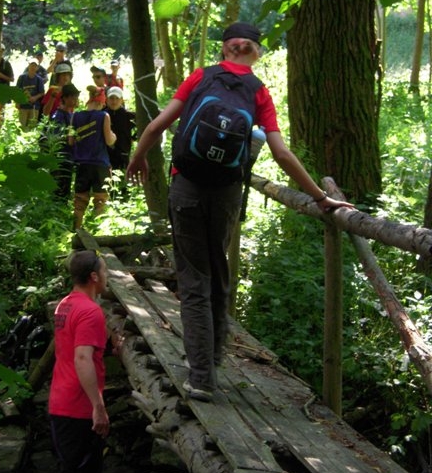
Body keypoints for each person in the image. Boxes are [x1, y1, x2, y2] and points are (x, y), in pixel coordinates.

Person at [126, 21, 355, 403]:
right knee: (218, 270)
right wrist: (320, 197)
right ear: (255, 53)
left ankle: (201, 377)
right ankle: (212, 358)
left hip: (186, 187)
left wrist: (138, 158)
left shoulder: (201, 77)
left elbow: (157, 126)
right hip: (227, 193)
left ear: (224, 49)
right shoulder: (259, 91)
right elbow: (281, 153)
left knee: (194, 279)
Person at [49, 249, 110, 473]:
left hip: (60, 402)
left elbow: (74, 347)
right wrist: (98, 406)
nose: (107, 276)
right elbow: (82, 357)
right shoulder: (90, 311)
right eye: (105, 271)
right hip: (78, 407)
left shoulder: (65, 305)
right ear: (94, 276)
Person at [69, 99, 117, 229]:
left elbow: (70, 141)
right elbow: (109, 141)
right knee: (100, 200)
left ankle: (75, 230)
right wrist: (114, 136)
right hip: (100, 163)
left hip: (82, 164)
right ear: (100, 102)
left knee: (79, 201)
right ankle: (98, 232)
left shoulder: (75, 116)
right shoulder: (104, 115)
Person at [48, 84, 81, 201]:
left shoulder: (71, 115)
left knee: (65, 188)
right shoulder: (58, 116)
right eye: (72, 97)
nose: (75, 100)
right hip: (60, 158)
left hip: (70, 157)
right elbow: (56, 137)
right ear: (65, 98)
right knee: (58, 189)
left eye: (76, 97)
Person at [105, 86, 136, 198]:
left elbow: (142, 124)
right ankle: (109, 198)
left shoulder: (127, 115)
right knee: (107, 178)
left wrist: (134, 137)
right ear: (107, 99)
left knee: (123, 177)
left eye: (117, 98)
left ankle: (124, 197)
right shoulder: (103, 114)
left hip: (123, 151)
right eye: (111, 98)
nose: (114, 101)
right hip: (106, 153)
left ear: (122, 100)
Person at [16, 58, 45, 130]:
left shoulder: (39, 79)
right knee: (21, 127)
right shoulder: (22, 77)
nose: (33, 67)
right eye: (31, 65)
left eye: (35, 66)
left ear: (37, 68)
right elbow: (17, 90)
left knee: (32, 127)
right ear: (28, 66)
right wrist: (17, 102)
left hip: (34, 107)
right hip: (23, 105)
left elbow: (42, 92)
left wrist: (35, 98)